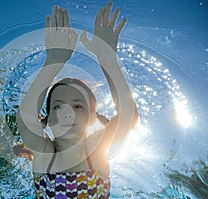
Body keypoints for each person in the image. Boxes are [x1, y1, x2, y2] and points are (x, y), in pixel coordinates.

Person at [15, 1, 139, 198]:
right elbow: (26, 118)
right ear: (47, 121)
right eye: (57, 107)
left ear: (91, 118)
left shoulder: (96, 152)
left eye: (78, 106)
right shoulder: (45, 153)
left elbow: (128, 116)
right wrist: (53, 61)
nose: (67, 112)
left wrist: (108, 59)